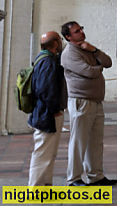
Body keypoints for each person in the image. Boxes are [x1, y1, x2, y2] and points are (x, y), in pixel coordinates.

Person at [61, 20, 117, 187]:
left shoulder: (88, 49)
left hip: (96, 101)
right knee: (79, 142)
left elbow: (108, 62)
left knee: (95, 141)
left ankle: (96, 176)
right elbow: (89, 72)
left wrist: (95, 51)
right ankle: (74, 178)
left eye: (81, 29)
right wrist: (98, 66)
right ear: (68, 37)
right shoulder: (69, 53)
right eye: (77, 31)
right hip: (81, 101)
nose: (81, 32)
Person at [28, 31, 67, 187]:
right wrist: (55, 109)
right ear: (56, 43)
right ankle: (35, 188)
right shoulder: (48, 62)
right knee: (43, 153)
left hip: (45, 112)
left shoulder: (43, 58)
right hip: (47, 114)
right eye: (60, 40)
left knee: (49, 153)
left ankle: (45, 185)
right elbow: (45, 88)